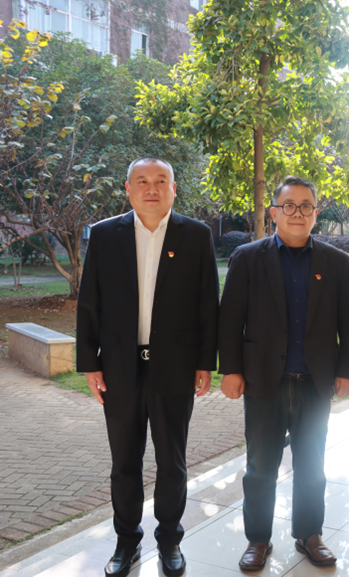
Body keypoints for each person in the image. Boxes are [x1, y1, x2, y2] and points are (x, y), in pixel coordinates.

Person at [77, 157, 219, 577]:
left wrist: (205, 362)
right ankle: (126, 541)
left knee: (172, 461)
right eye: (142, 181)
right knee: (124, 463)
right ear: (128, 189)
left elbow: (207, 303)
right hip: (119, 366)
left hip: (175, 366)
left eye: (161, 181)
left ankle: (170, 539)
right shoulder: (105, 234)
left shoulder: (196, 235)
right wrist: (90, 363)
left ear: (174, 189)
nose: (151, 188)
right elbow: (89, 303)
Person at [218, 175, 349, 571]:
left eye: (306, 206)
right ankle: (258, 539)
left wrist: (348, 370)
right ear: (274, 212)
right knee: (260, 468)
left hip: (316, 382)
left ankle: (309, 534)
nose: (297, 213)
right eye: (289, 205)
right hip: (263, 381)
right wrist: (230, 370)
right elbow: (229, 320)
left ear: (316, 213)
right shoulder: (248, 257)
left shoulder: (335, 262)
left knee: (312, 466)